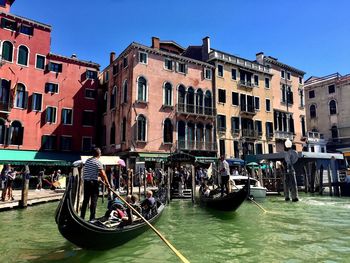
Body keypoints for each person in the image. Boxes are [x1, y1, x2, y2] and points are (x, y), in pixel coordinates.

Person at [80, 147, 111, 221]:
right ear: (99, 154)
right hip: (93, 184)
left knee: (85, 200)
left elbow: (90, 172)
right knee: (94, 201)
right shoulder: (98, 162)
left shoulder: (87, 161)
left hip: (86, 183)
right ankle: (92, 219)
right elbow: (103, 174)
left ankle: (82, 217)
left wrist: (97, 177)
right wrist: (108, 184)